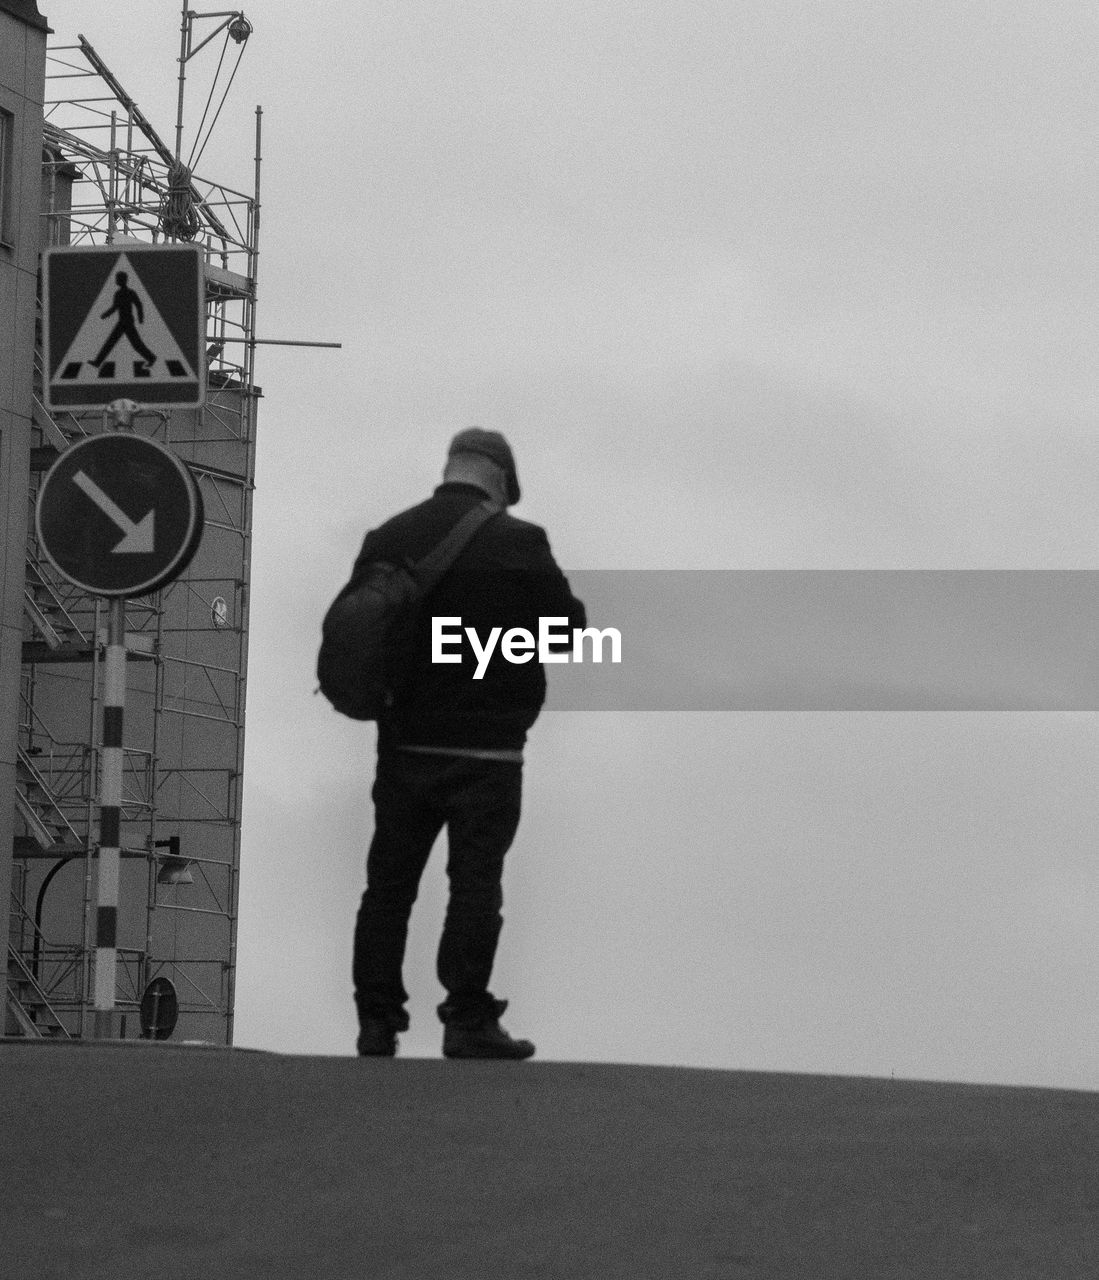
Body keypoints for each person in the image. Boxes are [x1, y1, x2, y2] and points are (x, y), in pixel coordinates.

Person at [351, 428, 586, 1059]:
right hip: (488, 751)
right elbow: (568, 633)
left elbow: (365, 631)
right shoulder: (520, 542)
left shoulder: (391, 536)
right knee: (475, 884)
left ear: (452, 469)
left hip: (404, 746)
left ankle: (377, 1023)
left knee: (389, 886)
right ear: (502, 481)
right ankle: (466, 1020)